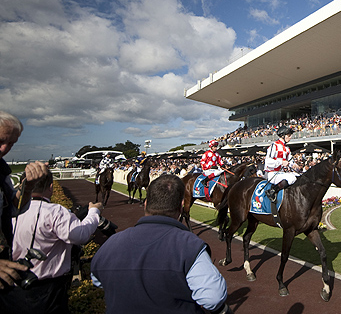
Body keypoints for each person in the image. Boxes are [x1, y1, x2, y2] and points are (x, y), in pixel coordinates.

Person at [91, 174, 230, 314]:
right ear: (181, 207)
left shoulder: (111, 243)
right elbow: (213, 298)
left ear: (145, 204)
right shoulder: (190, 245)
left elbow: (96, 280)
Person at [0, 170, 103, 314]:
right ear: (50, 187)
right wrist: (93, 212)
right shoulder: (55, 211)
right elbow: (81, 235)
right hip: (48, 292)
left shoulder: (7, 213)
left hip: (12, 287)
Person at [0, 111, 47, 289]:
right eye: (0, 142)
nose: (4, 149)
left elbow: (13, 210)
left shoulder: (2, 171)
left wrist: (28, 187)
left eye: (11, 144)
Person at [264, 126, 299, 202]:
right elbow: (268, 162)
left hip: (281, 173)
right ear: (282, 135)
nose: (290, 137)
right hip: (272, 173)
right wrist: (281, 162)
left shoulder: (287, 148)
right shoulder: (274, 146)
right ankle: (272, 191)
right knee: (292, 178)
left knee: (299, 176)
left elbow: (290, 161)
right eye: (289, 135)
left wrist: (294, 165)